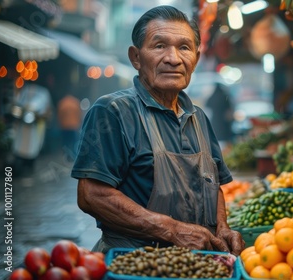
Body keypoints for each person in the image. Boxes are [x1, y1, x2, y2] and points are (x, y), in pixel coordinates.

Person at [71, 5, 244, 255]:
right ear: (136, 58)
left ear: (195, 57)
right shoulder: (114, 111)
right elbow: (91, 195)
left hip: (195, 263)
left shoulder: (199, 118)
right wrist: (171, 230)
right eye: (159, 45)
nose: (173, 58)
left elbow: (212, 184)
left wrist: (222, 228)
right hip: (134, 261)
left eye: (184, 47)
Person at [57, 94, 82, 161]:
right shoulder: (75, 102)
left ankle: (66, 156)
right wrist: (79, 124)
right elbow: (79, 114)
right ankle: (73, 157)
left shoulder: (62, 103)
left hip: (64, 127)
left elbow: (60, 115)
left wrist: (61, 124)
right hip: (74, 126)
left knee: (66, 142)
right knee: (74, 142)